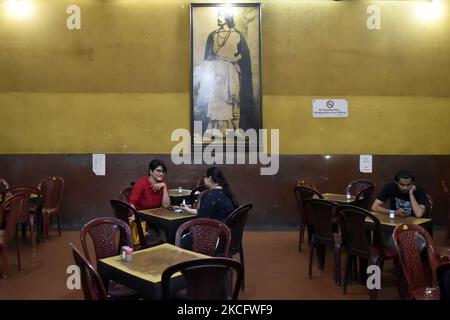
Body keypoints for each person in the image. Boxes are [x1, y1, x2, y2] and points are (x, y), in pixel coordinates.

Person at [197, 10, 256, 137]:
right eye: (218, 15)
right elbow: (208, 57)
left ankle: (233, 129)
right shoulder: (213, 35)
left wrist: (234, 59)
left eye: (221, 15)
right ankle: (216, 130)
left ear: (228, 17)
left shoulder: (237, 35)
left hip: (231, 70)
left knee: (233, 98)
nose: (219, 18)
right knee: (217, 98)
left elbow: (243, 56)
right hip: (217, 71)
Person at [128, 159, 170, 243]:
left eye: (163, 172)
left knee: (167, 233)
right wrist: (134, 215)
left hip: (156, 218)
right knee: (159, 237)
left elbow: (166, 206)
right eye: (158, 171)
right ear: (151, 171)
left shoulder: (162, 184)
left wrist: (164, 187)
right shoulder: (142, 182)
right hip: (141, 218)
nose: (161, 174)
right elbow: (132, 203)